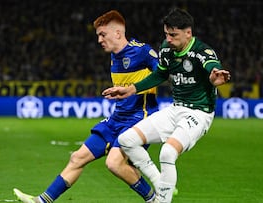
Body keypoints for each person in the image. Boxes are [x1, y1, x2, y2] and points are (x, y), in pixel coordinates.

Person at [13, 10, 161, 203]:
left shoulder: (142, 51)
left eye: (102, 34)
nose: (99, 40)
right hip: (118, 118)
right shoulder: (115, 55)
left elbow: (163, 74)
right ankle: (41, 201)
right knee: (77, 157)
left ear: (117, 33)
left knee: (114, 163)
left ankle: (155, 200)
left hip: (140, 118)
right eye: (98, 35)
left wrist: (133, 89)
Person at [102, 8, 231, 203]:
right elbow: (160, 75)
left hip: (198, 113)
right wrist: (129, 89)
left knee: (168, 152)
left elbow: (212, 66)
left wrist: (215, 75)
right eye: (166, 34)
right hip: (175, 109)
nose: (169, 39)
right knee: (127, 140)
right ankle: (160, 183)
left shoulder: (201, 51)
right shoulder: (167, 49)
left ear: (188, 33)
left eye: (173, 35)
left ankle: (162, 201)